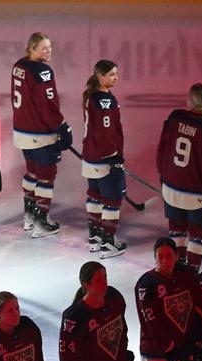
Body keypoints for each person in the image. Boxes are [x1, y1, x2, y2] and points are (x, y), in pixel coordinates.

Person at [156, 83, 202, 268]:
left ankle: (177, 269)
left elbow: (162, 149)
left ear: (189, 99)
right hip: (197, 194)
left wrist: (163, 177)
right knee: (197, 235)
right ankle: (192, 272)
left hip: (171, 187)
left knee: (176, 230)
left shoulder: (175, 117)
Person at [10, 32, 71, 238]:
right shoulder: (43, 71)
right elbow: (48, 105)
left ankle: (29, 216)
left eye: (50, 46)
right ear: (32, 49)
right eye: (44, 48)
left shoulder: (19, 65)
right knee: (46, 175)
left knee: (32, 172)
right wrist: (61, 126)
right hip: (40, 133)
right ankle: (41, 222)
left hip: (22, 131)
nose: (48, 51)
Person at [80, 59, 127, 257]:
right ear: (101, 76)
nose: (116, 77)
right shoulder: (106, 100)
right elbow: (106, 132)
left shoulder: (90, 95)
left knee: (95, 195)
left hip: (90, 157)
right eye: (112, 74)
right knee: (112, 200)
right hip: (105, 159)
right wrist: (114, 156)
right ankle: (108, 241)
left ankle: (95, 236)